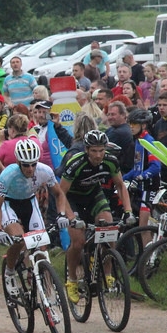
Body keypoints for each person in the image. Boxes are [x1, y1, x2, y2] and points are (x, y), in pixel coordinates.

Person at [59, 130, 133, 303]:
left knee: (109, 229)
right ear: (86, 150)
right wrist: (72, 218)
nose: (98, 155)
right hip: (72, 199)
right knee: (78, 242)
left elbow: (121, 186)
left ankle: (107, 273)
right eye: (94, 151)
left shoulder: (111, 161)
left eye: (101, 150)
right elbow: (61, 193)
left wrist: (128, 211)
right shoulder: (75, 163)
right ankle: (72, 280)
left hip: (93, 195)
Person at [0, 139, 71, 293]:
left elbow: (59, 193)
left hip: (29, 202)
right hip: (9, 204)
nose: (30, 168)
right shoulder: (7, 175)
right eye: (26, 165)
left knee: (41, 247)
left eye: (33, 164)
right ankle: (9, 271)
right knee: (19, 240)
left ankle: (46, 287)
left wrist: (61, 214)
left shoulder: (45, 171)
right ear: (18, 162)